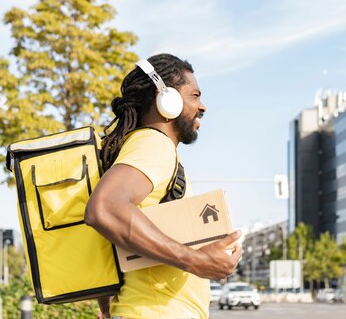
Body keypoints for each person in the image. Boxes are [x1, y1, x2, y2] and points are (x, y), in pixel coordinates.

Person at [85, 53, 242, 319]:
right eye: (194, 95)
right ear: (165, 99)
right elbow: (105, 208)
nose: (202, 106)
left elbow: (113, 233)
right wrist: (197, 261)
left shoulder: (140, 147)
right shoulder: (154, 145)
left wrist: (109, 307)